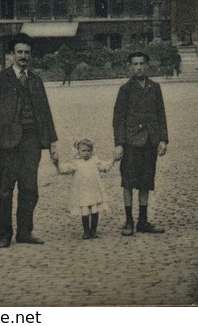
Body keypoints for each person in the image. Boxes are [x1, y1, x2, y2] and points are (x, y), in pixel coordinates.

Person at [0, 32, 58, 248]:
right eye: (19, 52)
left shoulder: (35, 80)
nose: (23, 56)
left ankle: (25, 232)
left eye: (27, 52)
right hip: (6, 143)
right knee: (6, 190)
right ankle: (4, 234)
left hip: (31, 142)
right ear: (11, 54)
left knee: (30, 189)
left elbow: (45, 112)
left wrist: (52, 143)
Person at [112, 51, 168, 235]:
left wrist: (163, 139)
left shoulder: (155, 87)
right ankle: (129, 221)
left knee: (146, 181)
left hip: (150, 141)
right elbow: (118, 119)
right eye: (134, 64)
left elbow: (161, 114)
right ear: (130, 67)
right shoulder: (125, 90)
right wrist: (119, 143)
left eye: (141, 64)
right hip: (131, 142)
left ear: (147, 66)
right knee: (128, 181)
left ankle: (143, 221)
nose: (138, 67)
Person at [56, 138, 115, 239]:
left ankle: (94, 231)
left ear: (92, 151)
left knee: (95, 211)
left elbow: (104, 167)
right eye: (83, 151)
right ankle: (86, 231)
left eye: (88, 151)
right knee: (85, 212)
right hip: (83, 192)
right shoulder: (76, 163)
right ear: (78, 151)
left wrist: (113, 160)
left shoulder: (95, 161)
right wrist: (57, 163)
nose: (86, 153)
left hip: (94, 191)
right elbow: (64, 169)